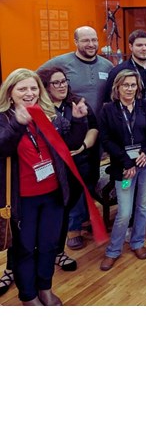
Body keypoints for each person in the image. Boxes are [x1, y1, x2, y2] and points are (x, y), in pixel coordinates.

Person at [0, 68, 87, 305]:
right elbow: (2, 148)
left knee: (49, 245)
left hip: (53, 195)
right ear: (10, 92)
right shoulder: (3, 118)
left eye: (33, 88)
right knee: (25, 249)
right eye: (22, 88)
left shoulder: (47, 115)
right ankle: (28, 296)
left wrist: (79, 121)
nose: (29, 93)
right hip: (22, 200)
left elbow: (71, 143)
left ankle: (45, 288)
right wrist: (18, 124)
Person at [104, 29, 146, 228]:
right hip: (126, 136)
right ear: (131, 47)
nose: (144, 48)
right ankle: (131, 220)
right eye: (139, 45)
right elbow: (108, 103)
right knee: (129, 177)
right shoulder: (119, 71)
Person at [98, 70, 146, 270]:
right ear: (117, 87)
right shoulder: (108, 110)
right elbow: (106, 139)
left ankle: (137, 242)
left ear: (138, 87)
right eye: (125, 85)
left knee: (143, 207)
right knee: (124, 211)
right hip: (124, 168)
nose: (129, 89)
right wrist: (126, 162)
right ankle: (113, 250)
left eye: (133, 85)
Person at [37, 66, 99, 268]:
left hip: (79, 162)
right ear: (45, 86)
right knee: (51, 213)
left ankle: (59, 251)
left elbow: (93, 127)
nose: (61, 86)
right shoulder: (39, 108)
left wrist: (82, 146)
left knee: (67, 207)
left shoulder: (76, 103)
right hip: (49, 170)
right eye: (56, 82)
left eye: (64, 81)